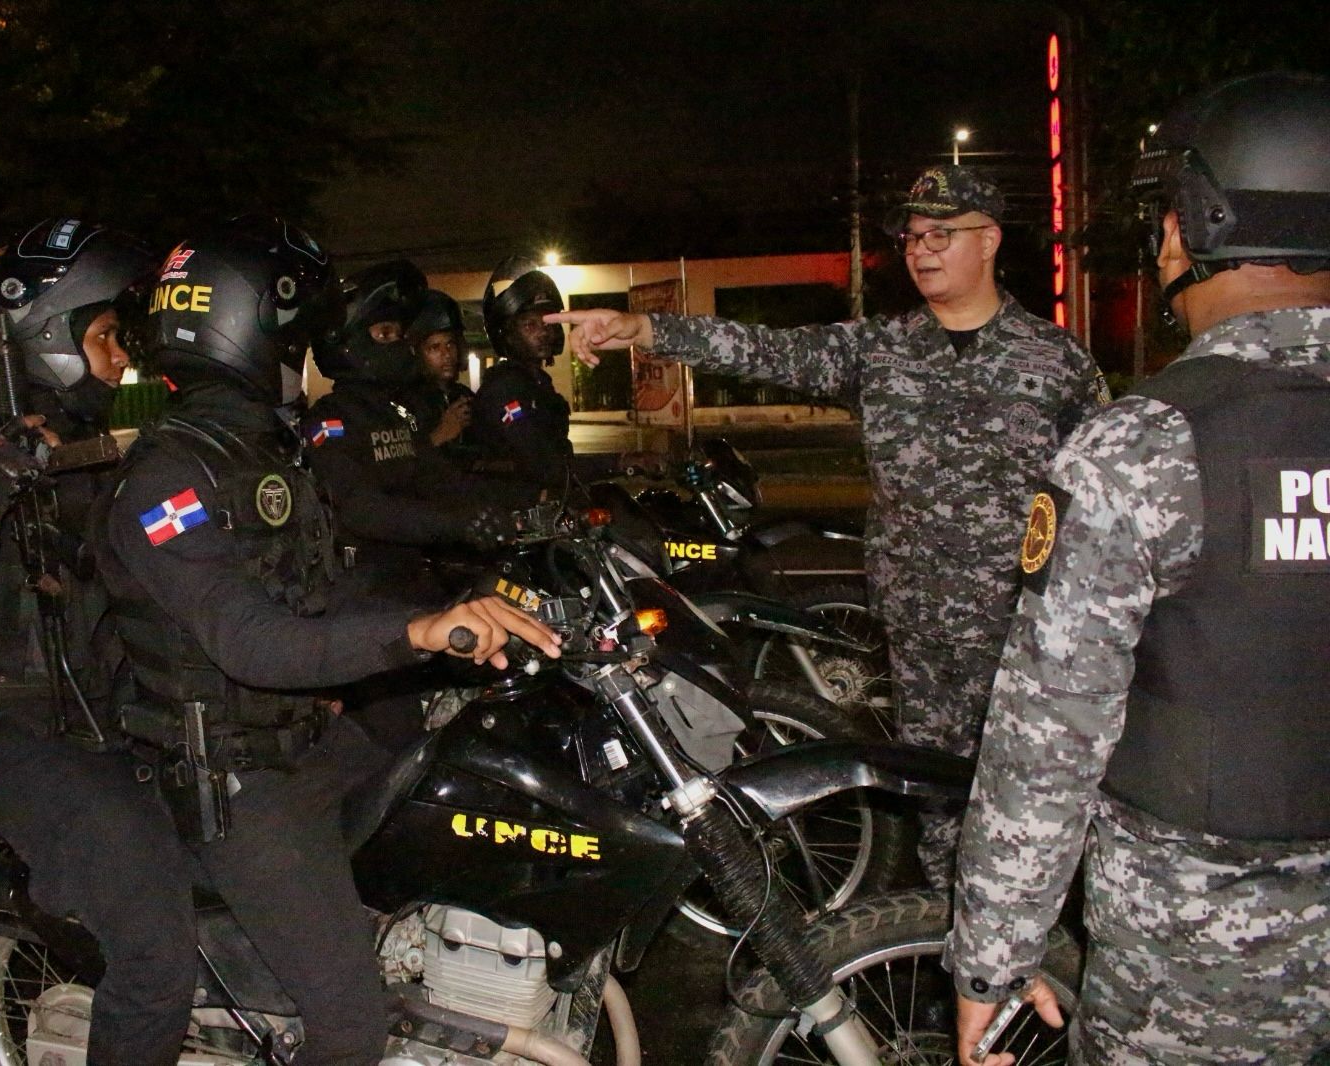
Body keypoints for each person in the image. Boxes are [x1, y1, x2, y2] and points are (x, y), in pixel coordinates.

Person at [551, 166, 1109, 887]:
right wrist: (643, 327)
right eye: (912, 235)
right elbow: (763, 351)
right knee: (937, 797)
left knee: (1035, 792)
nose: (921, 249)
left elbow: (1101, 495)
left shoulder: (1055, 361)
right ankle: (948, 936)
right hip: (921, 628)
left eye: (942, 233)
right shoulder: (882, 348)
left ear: (990, 239)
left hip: (1027, 627)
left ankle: (1040, 945)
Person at [91, 220, 560, 1066]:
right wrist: (412, 630)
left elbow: (319, 590)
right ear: (251, 339)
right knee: (351, 1027)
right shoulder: (169, 478)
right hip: (237, 781)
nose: (317, 363)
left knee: (457, 810)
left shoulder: (260, 453)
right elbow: (252, 642)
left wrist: (461, 610)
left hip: (304, 743)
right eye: (303, 341)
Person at [949, 72, 1330, 1065]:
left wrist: (991, 963)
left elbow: (1048, 739)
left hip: (1194, 970)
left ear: (1195, 227)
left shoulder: (1144, 448)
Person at [0, 218, 192, 1066]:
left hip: (104, 716)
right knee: (158, 949)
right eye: (103, 339)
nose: (121, 359)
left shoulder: (92, 451)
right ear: (43, 337)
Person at [305, 260, 522, 604]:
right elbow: (359, 507)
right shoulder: (332, 420)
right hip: (361, 594)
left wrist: (516, 503)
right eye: (385, 334)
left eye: (401, 335)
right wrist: (453, 524)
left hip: (412, 576)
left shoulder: (394, 414)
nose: (401, 346)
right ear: (346, 342)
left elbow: (437, 477)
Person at [470, 255, 576, 495]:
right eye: (530, 325)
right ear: (506, 333)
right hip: (514, 515)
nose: (543, 333)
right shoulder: (504, 389)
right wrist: (618, 462)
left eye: (548, 324)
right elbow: (542, 462)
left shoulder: (538, 383)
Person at [405, 288, 475, 452]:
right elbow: (402, 464)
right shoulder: (405, 402)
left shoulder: (465, 396)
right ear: (417, 353)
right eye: (435, 348)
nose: (447, 355)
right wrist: (440, 434)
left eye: (450, 344)